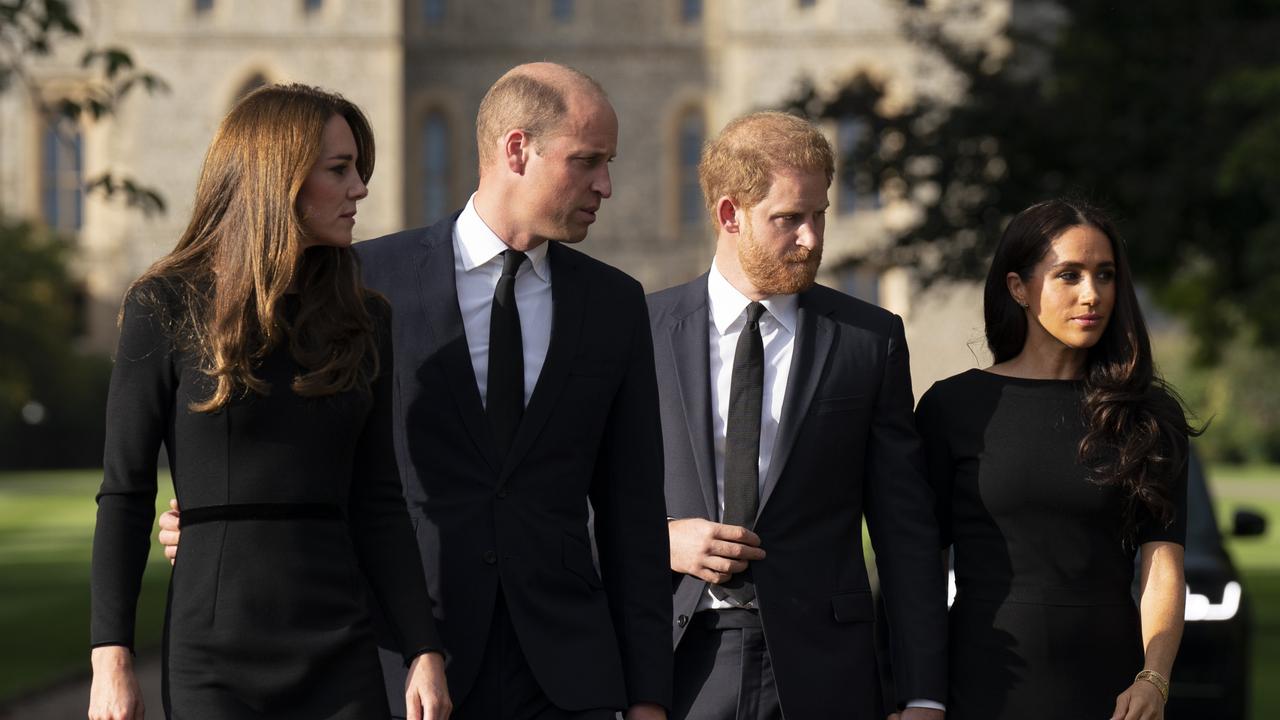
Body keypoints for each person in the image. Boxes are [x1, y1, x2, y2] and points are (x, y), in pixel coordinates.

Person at [160, 63, 672, 720]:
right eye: (587, 161)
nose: (606, 184)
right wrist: (212, 520)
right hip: (407, 665)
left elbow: (632, 516)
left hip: (570, 676)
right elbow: (290, 448)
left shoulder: (616, 305)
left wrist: (650, 697)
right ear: (518, 150)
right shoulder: (364, 281)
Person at [88, 84, 449, 720]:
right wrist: (109, 659)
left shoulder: (365, 319)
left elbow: (378, 501)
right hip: (214, 651)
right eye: (339, 170)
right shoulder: (164, 305)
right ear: (276, 176)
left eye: (359, 170)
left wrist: (424, 649)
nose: (360, 188)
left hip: (341, 643)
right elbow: (124, 492)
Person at [648, 111, 948, 719]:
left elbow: (904, 531)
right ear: (729, 214)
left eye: (820, 215)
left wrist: (922, 694)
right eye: (789, 219)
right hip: (673, 662)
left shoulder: (870, 339)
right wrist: (659, 539)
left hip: (825, 670)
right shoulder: (639, 330)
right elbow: (574, 492)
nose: (812, 238)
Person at [915, 199, 1191, 720]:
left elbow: (1163, 565)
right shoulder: (952, 407)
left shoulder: (1149, 414)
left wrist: (1154, 678)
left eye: (1105, 275)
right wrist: (920, 693)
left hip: (1113, 692)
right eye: (1070, 275)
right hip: (982, 682)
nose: (1092, 294)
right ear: (1018, 288)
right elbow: (921, 565)